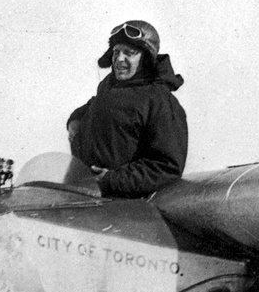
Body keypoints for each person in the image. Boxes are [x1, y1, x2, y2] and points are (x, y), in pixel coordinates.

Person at [67, 20, 188, 198]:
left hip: (124, 207)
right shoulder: (109, 88)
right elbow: (97, 106)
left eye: (129, 53)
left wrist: (110, 180)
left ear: (146, 58)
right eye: (116, 52)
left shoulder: (160, 101)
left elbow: (166, 166)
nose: (119, 59)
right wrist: (75, 120)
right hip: (85, 196)